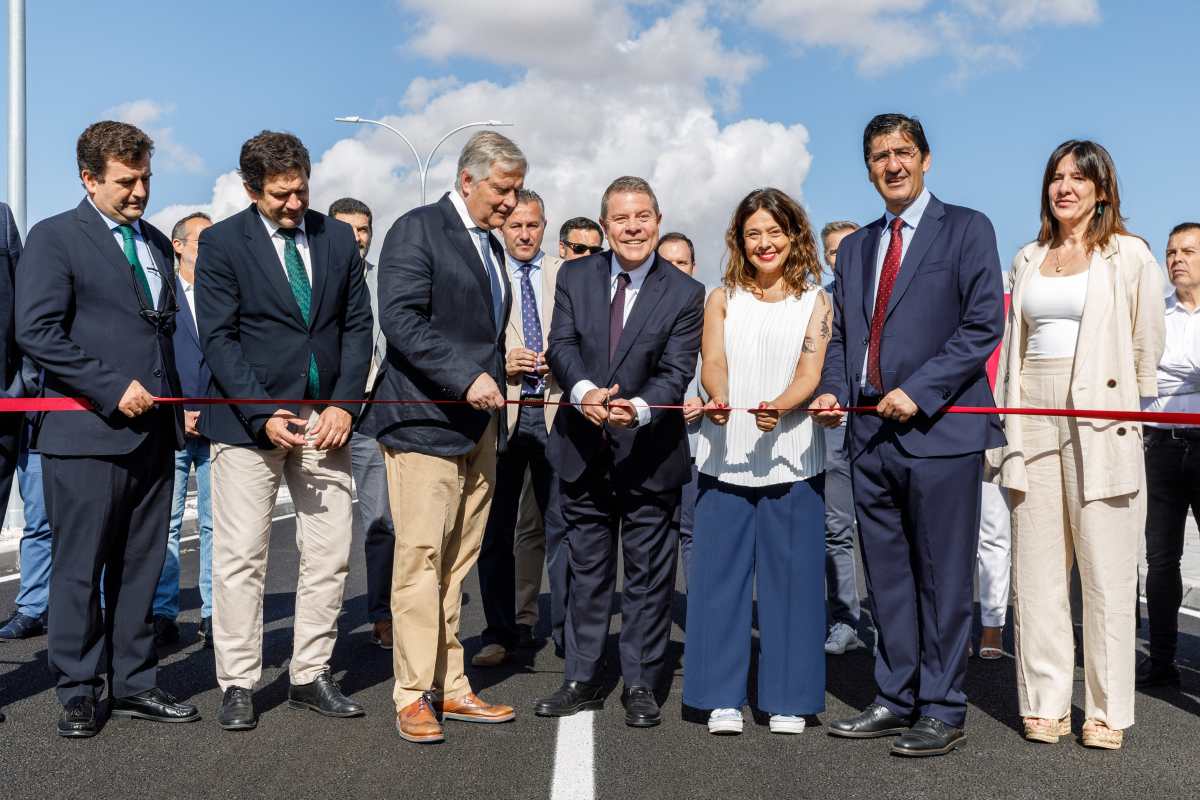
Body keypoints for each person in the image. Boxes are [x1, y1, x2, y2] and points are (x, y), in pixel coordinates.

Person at [811, 113, 1005, 757]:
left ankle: (944, 706)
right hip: (867, 436)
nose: (891, 165)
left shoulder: (968, 228)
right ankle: (896, 696)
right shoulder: (861, 245)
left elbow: (981, 326)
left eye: (902, 152)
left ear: (926, 159)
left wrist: (918, 391)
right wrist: (836, 388)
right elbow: (843, 333)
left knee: (943, 578)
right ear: (868, 167)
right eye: (878, 156)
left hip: (941, 431)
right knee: (887, 578)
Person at [16, 121, 199, 737]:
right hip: (86, 436)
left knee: (142, 565)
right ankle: (77, 686)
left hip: (154, 433)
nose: (140, 191)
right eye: (126, 181)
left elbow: (165, 332)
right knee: (79, 566)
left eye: (146, 177)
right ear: (89, 178)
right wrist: (109, 387)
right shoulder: (54, 238)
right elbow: (37, 332)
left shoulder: (151, 241)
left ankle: (134, 682)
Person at [988, 140, 1164, 750]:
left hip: (1101, 413)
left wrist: (1131, 413)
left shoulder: (1130, 256)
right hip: (1031, 409)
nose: (1064, 187)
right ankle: (1044, 701)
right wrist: (1002, 427)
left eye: (1077, 179)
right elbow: (1013, 344)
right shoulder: (1028, 257)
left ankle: (1107, 710)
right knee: (1036, 571)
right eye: (1056, 177)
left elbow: (1147, 346)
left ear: (1101, 189)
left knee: (1106, 572)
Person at [197, 131, 373, 731]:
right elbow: (219, 338)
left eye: (301, 189)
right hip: (250, 425)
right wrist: (262, 413)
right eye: (280, 194)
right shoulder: (221, 243)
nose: (295, 203)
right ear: (251, 190)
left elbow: (357, 327)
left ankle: (309, 673)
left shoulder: (337, 238)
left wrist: (345, 405)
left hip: (326, 422)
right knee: (241, 557)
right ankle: (239, 681)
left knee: (329, 553)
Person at [358, 130, 525, 744]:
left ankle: (451, 686)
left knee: (457, 565)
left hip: (478, 427)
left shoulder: (492, 246)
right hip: (424, 422)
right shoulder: (417, 229)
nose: (511, 202)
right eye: (502, 190)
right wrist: (467, 376)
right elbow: (400, 319)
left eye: (514, 190)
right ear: (468, 180)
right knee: (420, 560)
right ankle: (411, 694)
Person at [534, 176, 704, 728]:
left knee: (650, 576)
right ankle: (581, 677)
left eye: (643, 217)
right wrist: (583, 393)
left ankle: (641, 684)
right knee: (586, 572)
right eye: (621, 219)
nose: (633, 227)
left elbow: (677, 370)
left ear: (657, 219)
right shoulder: (575, 276)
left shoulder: (684, 292)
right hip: (582, 446)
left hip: (650, 451)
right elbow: (560, 345)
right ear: (605, 225)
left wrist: (638, 406)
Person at [685, 188, 830, 736]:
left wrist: (781, 406)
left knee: (791, 582)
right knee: (718, 580)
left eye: (774, 231)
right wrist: (719, 398)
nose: (764, 243)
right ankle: (720, 695)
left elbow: (811, 371)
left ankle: (787, 699)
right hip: (724, 455)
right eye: (753, 234)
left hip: (793, 455)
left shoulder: (816, 300)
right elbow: (713, 361)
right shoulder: (721, 297)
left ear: (794, 235)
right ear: (739, 242)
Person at [473, 189, 567, 668]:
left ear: (544, 226)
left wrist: (564, 363)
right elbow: (468, 339)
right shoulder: (485, 275)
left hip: (555, 410)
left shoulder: (564, 276)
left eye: (533, 226)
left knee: (563, 526)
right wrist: (498, 361)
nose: (524, 234)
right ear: (502, 227)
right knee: (497, 529)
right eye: (515, 226)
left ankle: (569, 631)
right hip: (502, 414)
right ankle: (499, 631)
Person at [328, 196, 395, 651]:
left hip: (371, 417)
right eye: (347, 228)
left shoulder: (383, 281)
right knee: (324, 533)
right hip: (321, 415)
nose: (358, 237)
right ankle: (321, 626)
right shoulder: (314, 277)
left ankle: (382, 614)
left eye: (365, 229)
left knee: (381, 522)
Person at [147, 211, 214, 650]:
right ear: (179, 245)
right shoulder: (161, 295)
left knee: (216, 524)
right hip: (172, 424)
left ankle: (213, 613)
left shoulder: (225, 295)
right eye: (202, 241)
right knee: (165, 524)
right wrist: (181, 411)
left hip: (217, 424)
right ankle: (163, 613)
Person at [1139, 221, 1200, 689]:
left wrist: (1176, 376)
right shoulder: (1153, 318)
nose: (1177, 259)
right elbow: (1143, 382)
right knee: (1160, 560)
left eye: (1188, 251)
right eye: (1171, 252)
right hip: (1159, 445)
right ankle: (1161, 660)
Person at [818, 220, 866, 656]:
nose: (842, 257)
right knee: (836, 529)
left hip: (878, 426)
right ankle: (845, 619)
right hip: (833, 430)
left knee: (883, 529)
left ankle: (894, 627)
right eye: (834, 251)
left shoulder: (882, 294)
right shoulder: (819, 304)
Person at [655, 232, 703, 587]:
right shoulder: (640, 309)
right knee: (654, 539)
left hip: (697, 445)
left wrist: (705, 396)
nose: (674, 269)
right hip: (651, 442)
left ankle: (701, 627)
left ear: (693, 267)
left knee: (692, 534)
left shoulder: (711, 310)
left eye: (681, 262)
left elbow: (724, 368)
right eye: (666, 262)